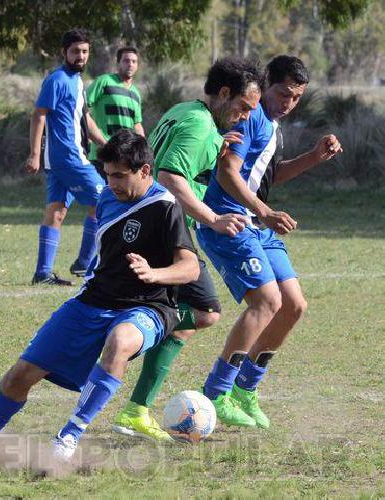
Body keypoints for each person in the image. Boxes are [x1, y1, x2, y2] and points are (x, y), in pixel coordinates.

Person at [0, 129, 200, 462]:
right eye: (108, 175)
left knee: (120, 341)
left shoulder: (165, 207)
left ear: (145, 171)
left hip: (150, 306)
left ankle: (69, 436)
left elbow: (190, 267)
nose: (112, 183)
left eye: (120, 176)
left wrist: (154, 274)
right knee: (21, 374)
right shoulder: (106, 198)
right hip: (94, 300)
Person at [111, 57, 261, 441]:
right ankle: (127, 343)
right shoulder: (199, 125)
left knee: (194, 316)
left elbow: (173, 159)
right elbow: (169, 176)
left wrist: (216, 144)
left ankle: (136, 405)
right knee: (205, 311)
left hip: (154, 223)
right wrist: (213, 219)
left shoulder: (188, 113)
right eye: (243, 107)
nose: (244, 117)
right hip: (166, 229)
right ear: (224, 94)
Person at [196, 55, 343, 429]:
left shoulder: (272, 126)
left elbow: (265, 177)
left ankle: (246, 388)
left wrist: (312, 157)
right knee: (266, 302)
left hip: (257, 223)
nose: (288, 102)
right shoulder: (250, 117)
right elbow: (227, 174)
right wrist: (264, 212)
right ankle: (216, 394)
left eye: (296, 98)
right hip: (229, 222)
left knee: (293, 306)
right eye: (282, 93)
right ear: (265, 85)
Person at [25, 28, 111, 286]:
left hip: (63, 159)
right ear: (64, 52)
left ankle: (42, 273)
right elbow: (39, 114)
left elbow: (84, 119)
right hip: (68, 157)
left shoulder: (77, 81)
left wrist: (106, 145)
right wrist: (34, 154)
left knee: (56, 212)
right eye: (75, 52)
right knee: (106, 202)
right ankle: (86, 264)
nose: (80, 56)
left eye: (84, 51)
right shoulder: (57, 80)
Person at [83, 46, 145, 188]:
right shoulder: (104, 81)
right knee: (100, 201)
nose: (130, 64)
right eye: (126, 60)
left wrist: (143, 148)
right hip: (102, 154)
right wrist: (93, 136)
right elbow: (82, 106)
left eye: (134, 61)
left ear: (137, 65)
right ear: (118, 63)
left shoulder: (136, 93)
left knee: (121, 202)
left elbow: (137, 124)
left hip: (124, 156)